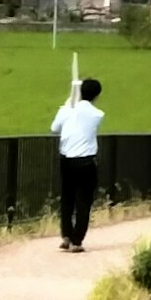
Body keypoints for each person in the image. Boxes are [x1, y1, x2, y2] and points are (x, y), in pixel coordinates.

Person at [52, 76, 106, 252]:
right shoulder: (97, 114)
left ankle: (66, 235)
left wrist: (69, 101)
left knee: (67, 198)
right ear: (97, 95)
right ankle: (77, 241)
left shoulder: (67, 110)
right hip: (86, 161)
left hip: (67, 160)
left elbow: (54, 128)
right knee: (84, 202)